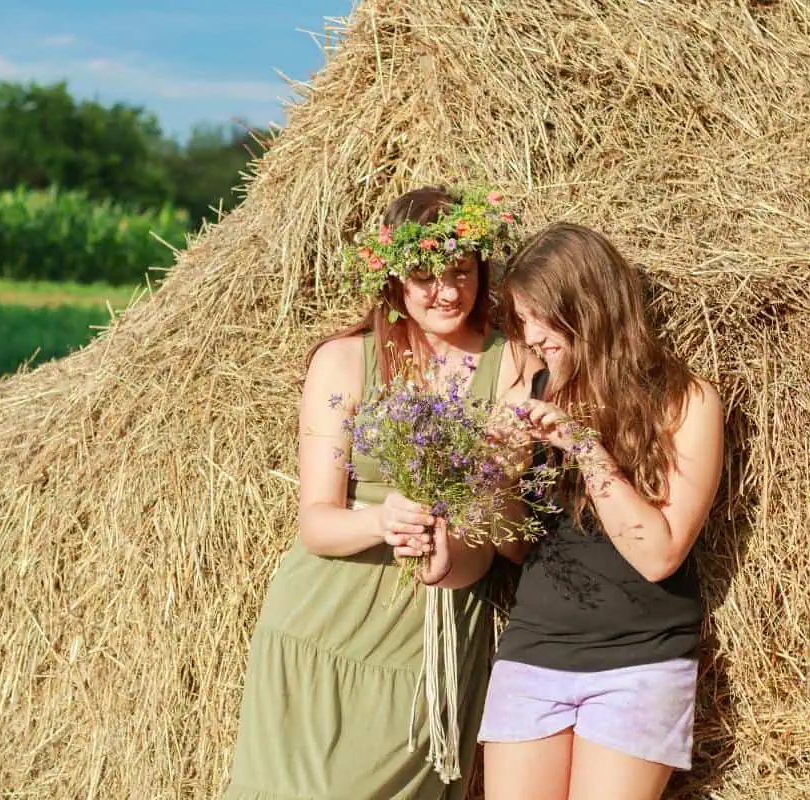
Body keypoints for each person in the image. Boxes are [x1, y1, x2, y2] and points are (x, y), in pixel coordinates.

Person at [223, 186, 538, 798]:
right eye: (424, 276)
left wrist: (447, 550)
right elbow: (316, 521)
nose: (446, 292)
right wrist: (383, 521)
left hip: (426, 641)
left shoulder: (513, 365)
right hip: (318, 628)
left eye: (461, 272)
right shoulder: (344, 362)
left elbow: (508, 536)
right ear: (392, 277)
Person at [474, 222, 725, 800]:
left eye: (541, 317)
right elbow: (516, 549)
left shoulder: (685, 401)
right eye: (523, 320)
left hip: (640, 662)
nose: (532, 336)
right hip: (534, 653)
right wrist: (501, 477)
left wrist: (584, 446)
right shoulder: (528, 393)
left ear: (586, 306)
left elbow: (658, 554)